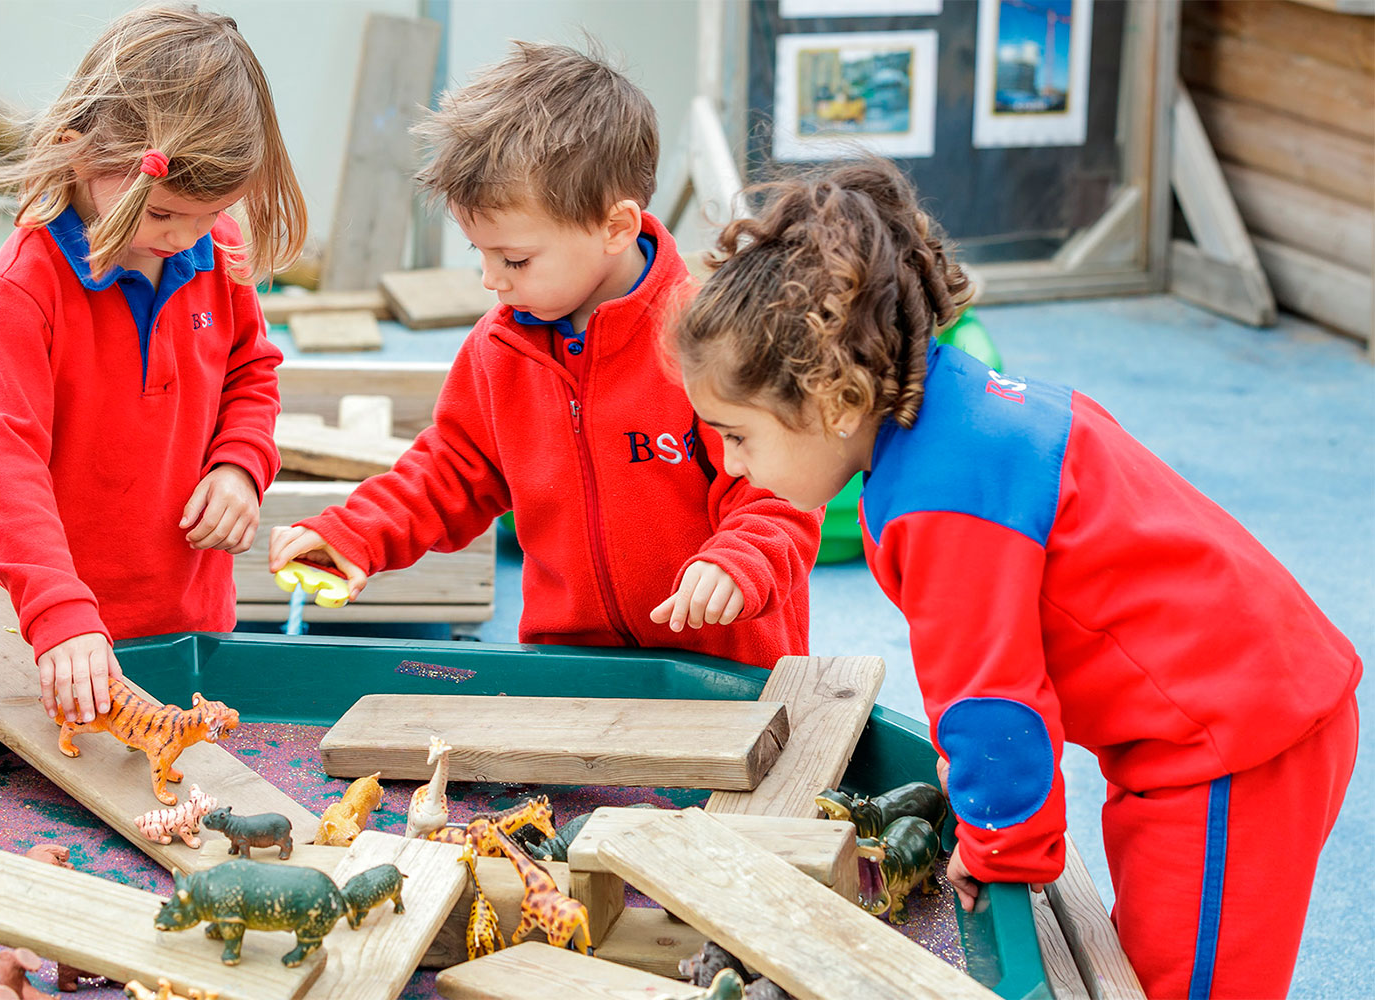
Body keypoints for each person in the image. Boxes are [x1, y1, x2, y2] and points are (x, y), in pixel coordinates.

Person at [671, 158, 1359, 998]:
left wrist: (1000, 849)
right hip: (1223, 715)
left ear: (832, 400)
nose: (730, 463)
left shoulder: (940, 500)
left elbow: (992, 698)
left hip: (1228, 743)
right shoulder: (955, 401)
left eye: (737, 435)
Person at [270, 42, 821, 668]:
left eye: (515, 260)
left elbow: (782, 490)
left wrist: (739, 562)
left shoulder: (714, 337)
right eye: (480, 253)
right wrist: (357, 532)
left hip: (722, 667)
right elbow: (450, 471)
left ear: (616, 228)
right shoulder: (498, 350)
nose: (490, 280)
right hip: (570, 668)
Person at [0, 5, 305, 726]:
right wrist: (59, 611)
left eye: (210, 216)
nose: (188, 239)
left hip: (187, 617)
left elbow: (252, 370)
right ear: (80, 154)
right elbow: (7, 468)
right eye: (166, 216)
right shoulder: (21, 289)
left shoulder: (215, 249)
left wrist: (242, 464)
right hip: (46, 634)